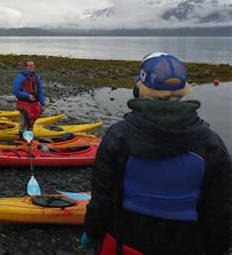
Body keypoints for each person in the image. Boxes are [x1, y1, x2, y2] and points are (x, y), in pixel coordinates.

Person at [81, 52, 231, 255]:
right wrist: (218, 247)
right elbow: (220, 211)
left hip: (125, 244)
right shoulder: (212, 144)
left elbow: (102, 200)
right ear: (185, 90)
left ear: (139, 88)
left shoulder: (118, 136)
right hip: (187, 246)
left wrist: (91, 233)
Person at [13, 59, 46, 139]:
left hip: (34, 104)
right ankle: (21, 139)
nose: (32, 67)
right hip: (23, 104)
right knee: (23, 123)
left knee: (31, 123)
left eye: (33, 65)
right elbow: (16, 91)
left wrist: (43, 104)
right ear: (25, 67)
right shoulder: (20, 77)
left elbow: (40, 91)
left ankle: (28, 140)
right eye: (30, 65)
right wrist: (27, 96)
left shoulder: (36, 77)